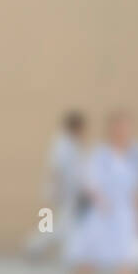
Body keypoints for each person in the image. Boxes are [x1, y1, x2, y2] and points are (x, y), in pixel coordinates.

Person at [59, 110, 138, 274]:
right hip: (103, 216)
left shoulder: (136, 154)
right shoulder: (100, 155)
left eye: (127, 127)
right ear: (111, 130)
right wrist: (102, 202)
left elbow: (135, 188)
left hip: (124, 216)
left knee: (126, 265)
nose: (123, 132)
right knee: (90, 264)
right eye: (119, 127)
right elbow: (90, 183)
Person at [28, 111, 87, 260]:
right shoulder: (62, 144)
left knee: (66, 225)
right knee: (61, 226)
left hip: (71, 193)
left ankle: (39, 246)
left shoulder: (72, 144)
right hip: (64, 193)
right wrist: (57, 191)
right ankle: (34, 245)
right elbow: (56, 169)